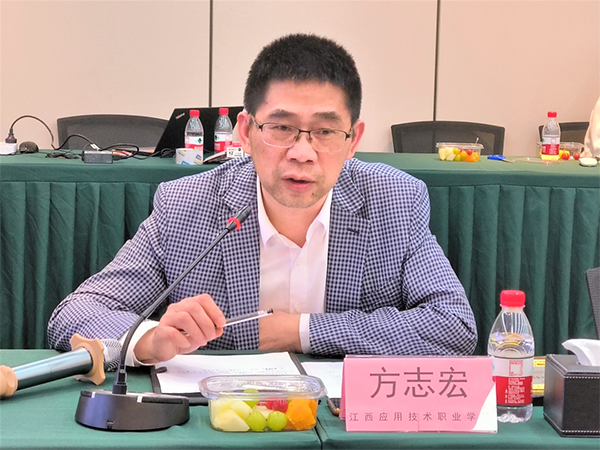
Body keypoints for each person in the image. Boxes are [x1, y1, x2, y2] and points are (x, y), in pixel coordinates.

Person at [48, 34, 477, 365]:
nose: (302, 152)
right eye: (281, 127)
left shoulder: (393, 200)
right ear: (245, 132)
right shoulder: (186, 204)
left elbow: (453, 326)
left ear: (353, 140)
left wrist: (298, 331)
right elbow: (76, 313)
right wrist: (147, 340)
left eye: (326, 131)